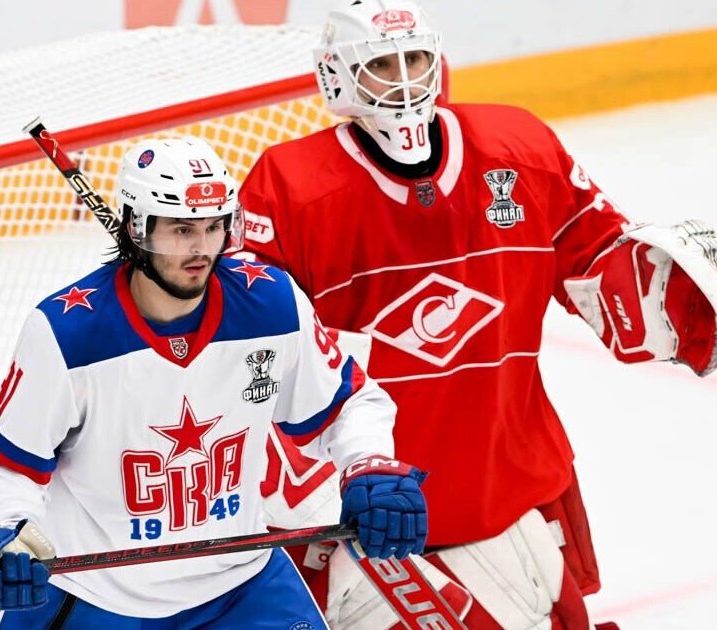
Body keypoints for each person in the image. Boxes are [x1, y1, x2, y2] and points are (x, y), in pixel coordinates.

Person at [241, 1, 717, 628]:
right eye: (382, 65)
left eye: (415, 59)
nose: (404, 79)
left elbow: (600, 260)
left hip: (506, 490)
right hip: (366, 511)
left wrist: (677, 296)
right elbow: (247, 348)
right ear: (338, 76)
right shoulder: (289, 188)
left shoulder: (519, 148)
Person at [0, 137, 429, 628]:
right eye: (182, 229)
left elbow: (347, 402)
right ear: (136, 228)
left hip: (237, 582)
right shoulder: (68, 334)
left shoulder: (270, 304)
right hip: (95, 593)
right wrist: (10, 531)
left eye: (213, 226)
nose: (202, 249)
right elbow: (2, 463)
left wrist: (369, 464)